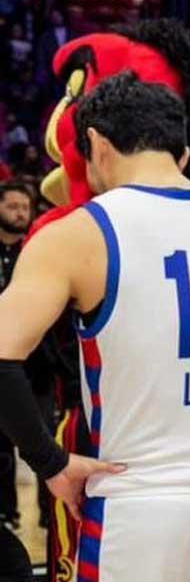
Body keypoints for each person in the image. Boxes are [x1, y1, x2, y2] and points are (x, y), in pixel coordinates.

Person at [0, 72, 190, 581]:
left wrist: (48, 462)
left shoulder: (77, 233)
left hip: (136, 505)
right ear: (182, 154)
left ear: (94, 143)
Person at [0, 183, 32, 531]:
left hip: (34, 367)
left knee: (43, 442)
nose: (20, 212)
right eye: (12, 206)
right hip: (3, 363)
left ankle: (51, 515)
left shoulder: (35, 253)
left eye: (25, 207)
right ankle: (8, 513)